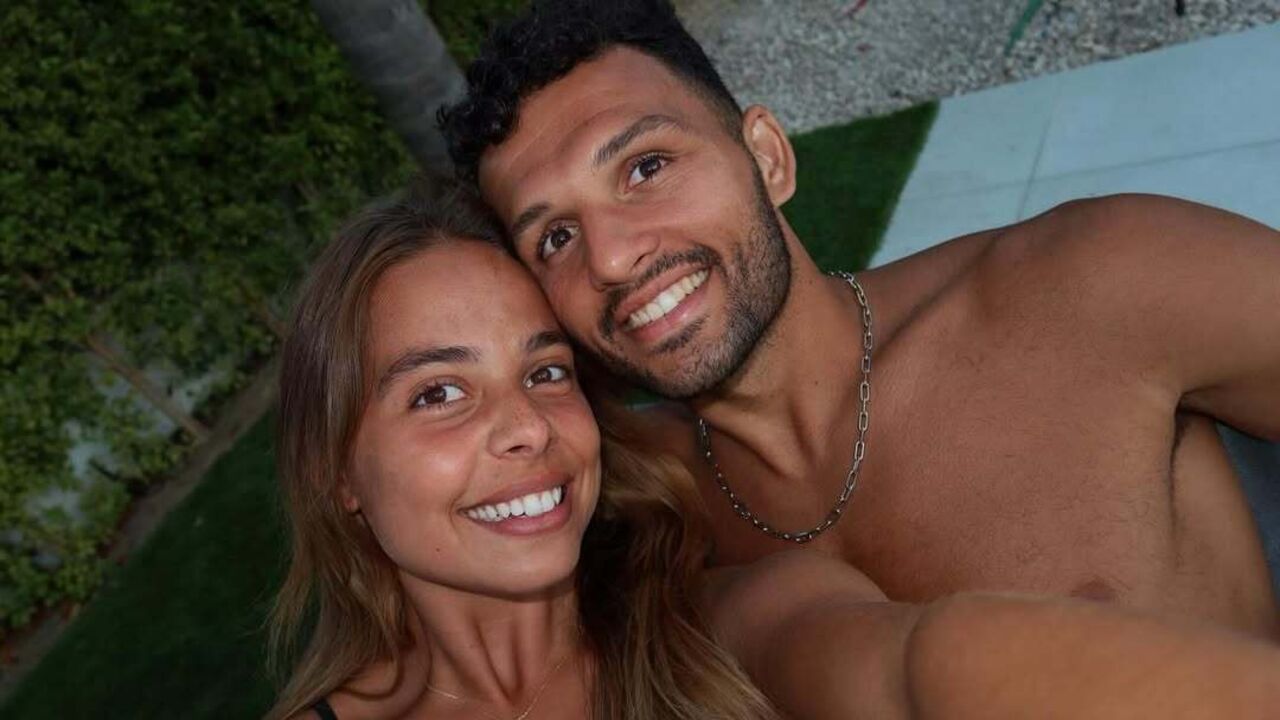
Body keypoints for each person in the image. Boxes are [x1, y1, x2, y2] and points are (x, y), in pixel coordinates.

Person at [266, 181, 1280, 720]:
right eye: (438, 393)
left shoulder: (715, 623)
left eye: (545, 371)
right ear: (336, 473)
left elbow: (920, 670)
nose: (525, 426)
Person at [439, 0, 1280, 638]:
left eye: (646, 166)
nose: (614, 258)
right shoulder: (631, 506)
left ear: (767, 157)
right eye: (555, 237)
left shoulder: (1096, 283)